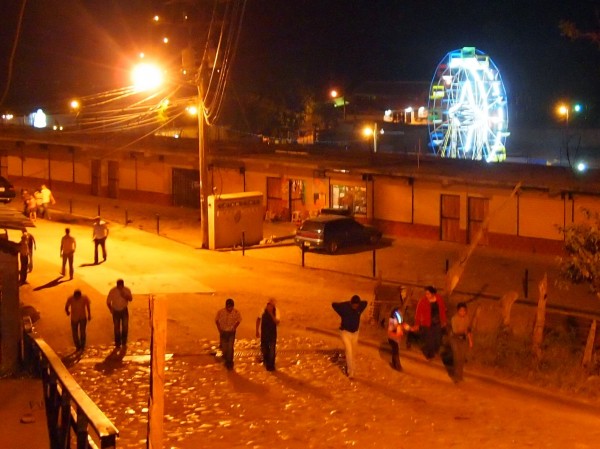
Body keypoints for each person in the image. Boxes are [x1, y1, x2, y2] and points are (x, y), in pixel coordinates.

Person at [332, 295, 368, 379]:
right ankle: (350, 372)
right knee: (349, 350)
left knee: (353, 352)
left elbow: (365, 302)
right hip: (345, 332)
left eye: (357, 305)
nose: (355, 307)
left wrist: (358, 304)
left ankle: (352, 367)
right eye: (354, 305)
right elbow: (334, 304)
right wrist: (346, 304)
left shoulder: (360, 307)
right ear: (351, 303)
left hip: (355, 333)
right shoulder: (344, 308)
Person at [407, 286, 447, 360]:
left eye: (428, 293)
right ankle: (430, 355)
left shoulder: (439, 299)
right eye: (426, 293)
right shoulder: (423, 301)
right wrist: (417, 324)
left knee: (437, 339)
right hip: (427, 323)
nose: (426, 295)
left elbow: (442, 310)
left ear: (433, 293)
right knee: (430, 340)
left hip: (437, 323)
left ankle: (434, 351)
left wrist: (444, 321)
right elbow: (418, 314)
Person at [215, 298, 242, 370]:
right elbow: (216, 320)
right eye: (229, 307)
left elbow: (239, 320)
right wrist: (219, 329)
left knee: (230, 347)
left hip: (231, 332)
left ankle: (229, 362)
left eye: (231, 307)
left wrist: (235, 327)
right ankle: (226, 358)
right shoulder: (221, 312)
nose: (230, 308)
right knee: (224, 348)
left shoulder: (236, 312)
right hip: (223, 331)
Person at [450, 302, 473, 383]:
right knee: (457, 357)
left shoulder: (467, 318)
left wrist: (470, 340)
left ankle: (460, 375)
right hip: (455, 339)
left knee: (462, 358)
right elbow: (455, 331)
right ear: (458, 311)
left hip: (464, 339)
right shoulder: (454, 319)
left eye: (464, 311)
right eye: (461, 311)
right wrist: (464, 332)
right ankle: (456, 376)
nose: (462, 312)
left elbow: (469, 330)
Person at [106, 279, 133, 348]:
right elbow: (108, 301)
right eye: (119, 286)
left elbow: (130, 299)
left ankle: (124, 342)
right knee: (116, 327)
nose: (120, 287)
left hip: (124, 309)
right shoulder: (113, 291)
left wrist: (124, 295)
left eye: (121, 286)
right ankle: (118, 342)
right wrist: (111, 309)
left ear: (123, 285)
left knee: (125, 326)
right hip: (116, 311)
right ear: (117, 285)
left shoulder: (127, 290)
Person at [256, 298, 280, 371]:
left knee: (272, 350)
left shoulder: (277, 311)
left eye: (271, 305)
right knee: (264, 349)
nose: (269, 306)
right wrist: (257, 330)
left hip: (272, 334)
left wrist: (271, 314)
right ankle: (266, 362)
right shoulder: (262, 310)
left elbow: (277, 322)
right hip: (264, 333)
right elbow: (258, 319)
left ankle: (271, 365)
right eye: (268, 304)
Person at [387, 307, 405, 371]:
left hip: (394, 338)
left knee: (395, 351)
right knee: (395, 351)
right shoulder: (394, 320)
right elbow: (393, 329)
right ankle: (398, 366)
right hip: (393, 338)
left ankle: (395, 364)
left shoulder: (393, 320)